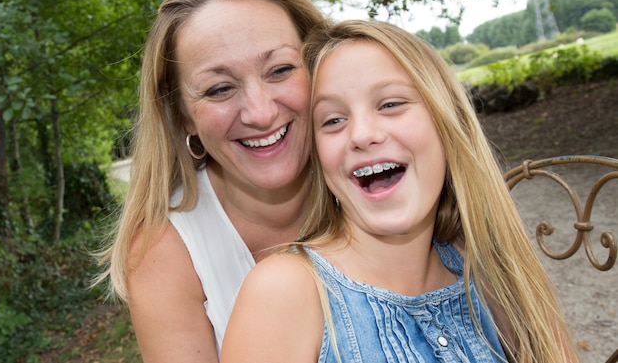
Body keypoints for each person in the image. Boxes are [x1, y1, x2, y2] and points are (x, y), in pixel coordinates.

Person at [220, 19, 579, 363]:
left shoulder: (487, 273)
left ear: (447, 122)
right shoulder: (285, 293)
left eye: (390, 104)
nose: (362, 135)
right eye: (333, 120)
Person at [94, 0, 328, 362]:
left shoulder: (379, 177)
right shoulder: (164, 250)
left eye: (281, 69)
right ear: (183, 113)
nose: (260, 112)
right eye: (219, 88)